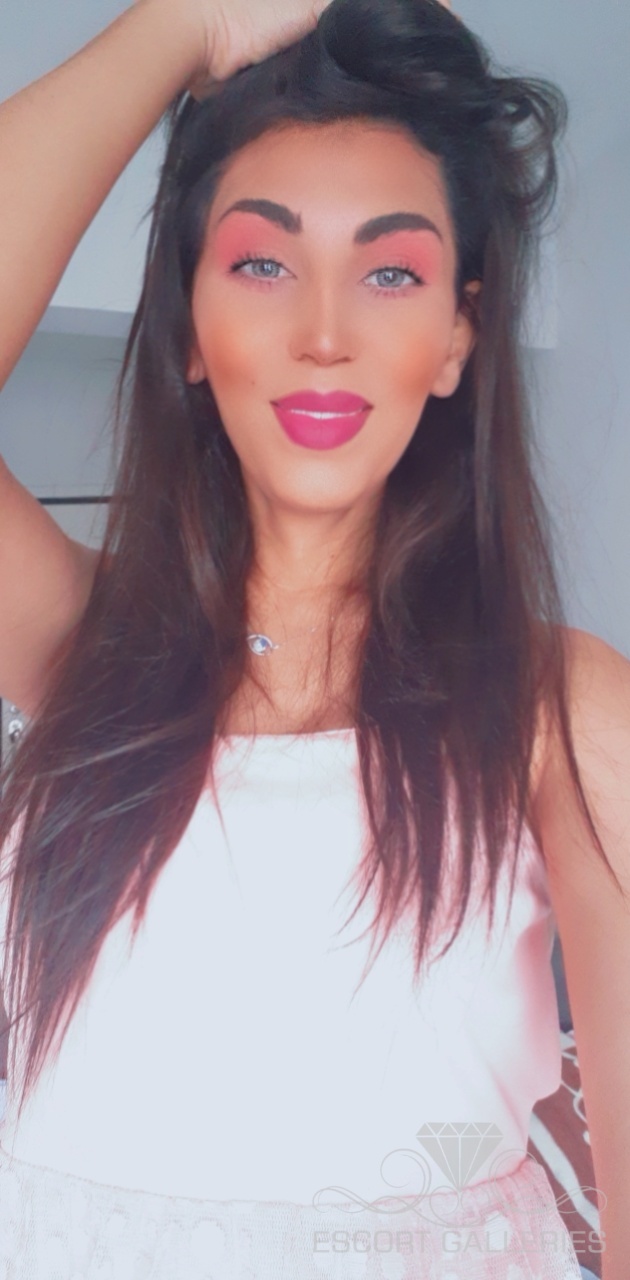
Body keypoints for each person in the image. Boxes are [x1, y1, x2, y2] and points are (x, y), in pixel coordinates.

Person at [0, 0, 627, 1275]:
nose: (326, 333)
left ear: (457, 337)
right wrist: (178, 27)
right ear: (188, 327)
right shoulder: (80, 639)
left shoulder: (556, 704)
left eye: (391, 272)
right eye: (263, 263)